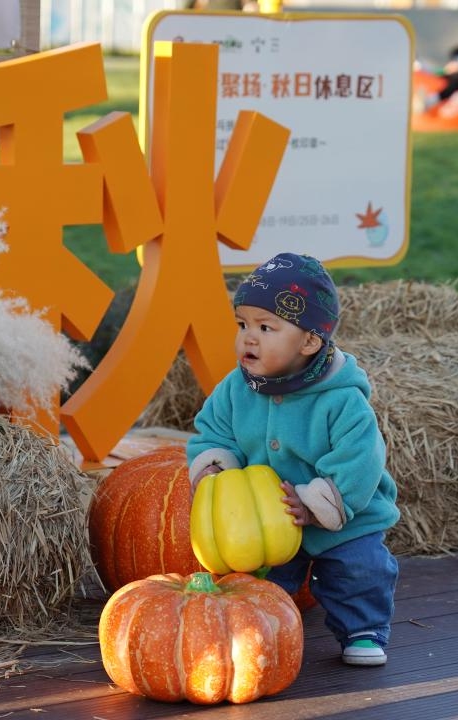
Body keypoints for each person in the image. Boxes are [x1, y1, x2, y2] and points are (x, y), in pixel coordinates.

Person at [186, 252, 400, 667]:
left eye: (266, 327)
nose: (249, 338)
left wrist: (320, 501)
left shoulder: (341, 400)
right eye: (243, 324)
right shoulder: (237, 388)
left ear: (309, 341)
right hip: (267, 519)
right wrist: (214, 464)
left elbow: (360, 458)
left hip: (344, 517)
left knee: (358, 570)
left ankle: (364, 630)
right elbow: (213, 431)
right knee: (265, 581)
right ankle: (263, 633)